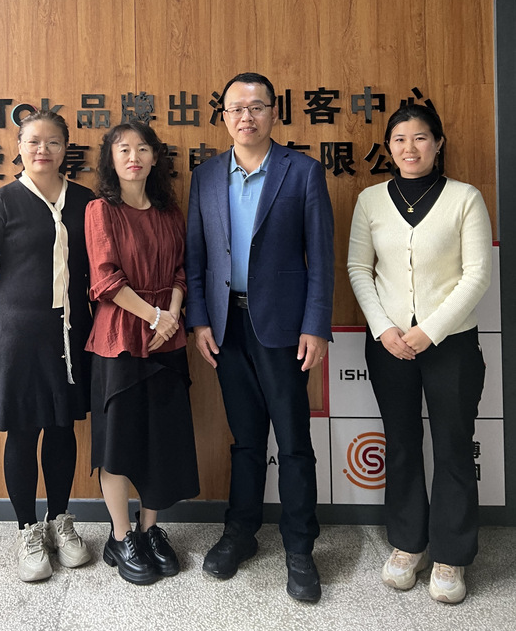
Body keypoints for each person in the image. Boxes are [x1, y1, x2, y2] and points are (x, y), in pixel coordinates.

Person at [185, 72, 334, 603]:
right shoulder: (205, 176)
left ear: (274, 112)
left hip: (285, 328)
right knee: (245, 438)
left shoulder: (303, 171)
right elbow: (196, 257)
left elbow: (321, 256)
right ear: (224, 116)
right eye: (235, 108)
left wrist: (316, 324)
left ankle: (300, 547)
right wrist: (199, 320)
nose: (245, 116)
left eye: (256, 107)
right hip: (226, 326)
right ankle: (240, 532)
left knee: (293, 441)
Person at [347, 104, 491, 604]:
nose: (410, 148)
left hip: (452, 345)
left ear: (438, 143)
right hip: (388, 344)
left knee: (453, 446)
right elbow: (358, 268)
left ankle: (451, 554)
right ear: (389, 147)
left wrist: (429, 331)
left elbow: (477, 273)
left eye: (421, 138)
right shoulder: (370, 200)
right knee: (402, 442)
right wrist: (384, 328)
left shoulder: (465, 198)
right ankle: (409, 543)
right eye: (400, 140)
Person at [0, 110, 93, 582]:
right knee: (22, 430)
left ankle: (60, 522)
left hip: (71, 333)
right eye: (34, 141)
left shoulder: (85, 200)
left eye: (53, 142)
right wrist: (12, 300)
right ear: (19, 147)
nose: (43, 150)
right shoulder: (3, 202)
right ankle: (26, 530)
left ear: (65, 149)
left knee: (61, 427)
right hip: (18, 336)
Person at [84, 120, 200, 586]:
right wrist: (155, 317)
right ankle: (121, 536)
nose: (133, 157)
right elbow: (105, 279)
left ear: (155, 158)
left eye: (142, 149)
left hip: (166, 335)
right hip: (119, 338)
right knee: (117, 443)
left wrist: (170, 314)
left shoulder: (171, 213)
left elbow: (181, 270)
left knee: (162, 440)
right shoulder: (100, 210)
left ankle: (150, 531)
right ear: (111, 160)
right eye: (123, 149)